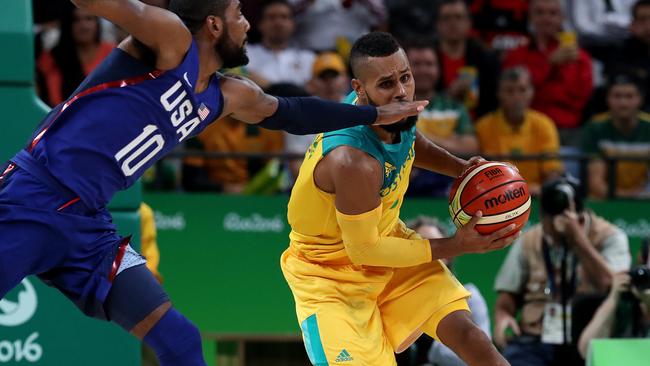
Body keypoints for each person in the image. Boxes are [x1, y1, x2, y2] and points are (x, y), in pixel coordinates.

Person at [0, 1, 426, 365]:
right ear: (214, 24)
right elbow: (110, 6)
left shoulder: (228, 95)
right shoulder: (171, 41)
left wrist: (372, 115)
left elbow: (295, 113)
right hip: (36, 197)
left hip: (88, 227)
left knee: (181, 341)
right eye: (240, 13)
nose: (248, 24)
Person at [281, 32, 518, 366]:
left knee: (470, 336)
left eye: (405, 77)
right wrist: (457, 245)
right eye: (387, 84)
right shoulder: (352, 161)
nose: (402, 91)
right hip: (331, 273)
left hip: (387, 243)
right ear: (359, 89)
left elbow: (410, 142)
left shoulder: (393, 108)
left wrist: (461, 169)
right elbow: (364, 251)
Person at [494, 176, 631, 366]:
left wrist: (578, 240)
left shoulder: (611, 237)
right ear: (542, 215)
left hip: (588, 338)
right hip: (536, 339)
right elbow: (506, 297)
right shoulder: (529, 240)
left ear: (581, 212)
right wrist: (504, 317)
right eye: (548, 218)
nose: (555, 225)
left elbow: (611, 286)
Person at [396, 216, 492, 366]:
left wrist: (430, 346)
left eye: (436, 247)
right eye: (422, 246)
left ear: (448, 255)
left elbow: (481, 355)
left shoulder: (470, 296)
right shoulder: (390, 298)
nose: (431, 254)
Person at [503, 0, 593, 146]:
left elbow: (580, 99)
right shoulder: (516, 55)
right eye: (540, 13)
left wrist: (540, 90)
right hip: (526, 129)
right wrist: (549, 64)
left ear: (562, 18)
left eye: (552, 13)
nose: (546, 18)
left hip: (567, 130)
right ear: (530, 17)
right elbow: (512, 96)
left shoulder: (578, 57)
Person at [475, 67, 564, 196]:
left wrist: (544, 190)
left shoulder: (545, 125)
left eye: (522, 90)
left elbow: (553, 172)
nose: (516, 97)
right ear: (499, 94)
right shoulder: (483, 127)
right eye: (510, 91)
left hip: (536, 197)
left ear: (531, 93)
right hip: (496, 198)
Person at [404, 40, 477, 197]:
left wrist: (419, 138)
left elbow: (470, 147)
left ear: (438, 69)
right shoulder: (393, 107)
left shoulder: (454, 107)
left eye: (429, 64)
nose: (423, 70)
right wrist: (450, 141)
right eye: (416, 64)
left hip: (448, 190)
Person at [582, 75, 650, 199]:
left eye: (629, 96)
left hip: (644, 200)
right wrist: (631, 196)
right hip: (604, 201)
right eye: (617, 96)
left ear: (640, 99)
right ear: (608, 99)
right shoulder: (595, 128)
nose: (623, 103)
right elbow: (596, 185)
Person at [284, 52, 350, 179]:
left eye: (334, 76)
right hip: (311, 186)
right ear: (311, 83)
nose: (329, 82)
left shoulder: (358, 108)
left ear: (346, 80)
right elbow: (296, 164)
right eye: (323, 77)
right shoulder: (299, 112)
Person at [37, 4, 115, 106]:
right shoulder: (53, 57)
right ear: (68, 24)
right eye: (76, 20)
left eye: (89, 19)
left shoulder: (112, 53)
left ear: (97, 23)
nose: (84, 26)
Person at [435, 0, 500, 119]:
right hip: (436, 123)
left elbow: (493, 102)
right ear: (438, 24)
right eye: (446, 18)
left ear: (469, 23)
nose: (453, 23)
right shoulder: (428, 59)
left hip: (479, 125)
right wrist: (450, 94)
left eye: (458, 17)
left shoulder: (485, 58)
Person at [245, 0, 315, 87]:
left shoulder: (309, 59)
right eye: (272, 17)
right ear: (260, 24)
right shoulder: (246, 54)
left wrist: (269, 86)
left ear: (293, 24)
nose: (278, 23)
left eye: (284, 17)